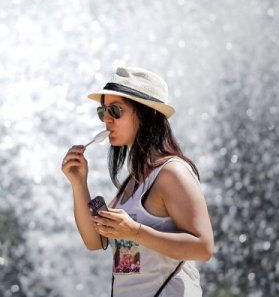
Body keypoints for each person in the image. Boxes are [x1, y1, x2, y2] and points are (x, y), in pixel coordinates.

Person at [61, 66, 214, 297]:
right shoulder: (132, 182)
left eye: (115, 110)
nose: (107, 120)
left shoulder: (172, 172)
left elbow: (203, 248)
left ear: (145, 113)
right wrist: (79, 184)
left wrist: (135, 232)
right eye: (103, 112)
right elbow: (95, 241)